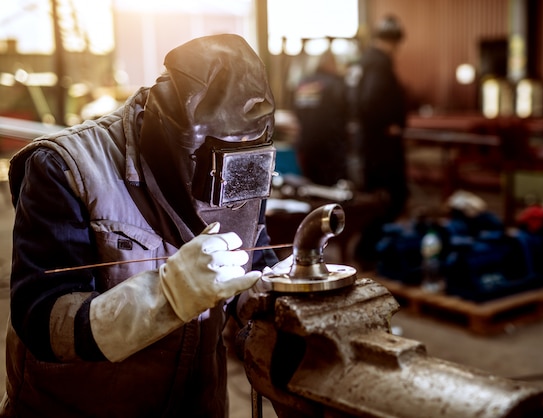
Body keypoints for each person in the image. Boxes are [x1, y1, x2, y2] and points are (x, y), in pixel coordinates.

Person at [0, 34, 280, 418]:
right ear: (168, 132)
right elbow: (40, 319)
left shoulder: (243, 159)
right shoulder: (66, 167)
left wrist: (268, 293)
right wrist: (164, 297)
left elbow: (254, 254)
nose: (227, 186)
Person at [347, 15, 409, 265]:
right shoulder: (380, 64)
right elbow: (370, 101)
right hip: (382, 147)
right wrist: (388, 126)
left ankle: (370, 249)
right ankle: (370, 250)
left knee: (374, 198)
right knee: (393, 197)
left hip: (366, 145)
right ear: (394, 42)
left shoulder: (362, 63)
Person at [292, 50, 349, 186]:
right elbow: (346, 111)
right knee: (331, 188)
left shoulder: (303, 83)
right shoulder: (336, 83)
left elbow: (296, 111)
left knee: (311, 186)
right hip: (330, 145)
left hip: (307, 142)